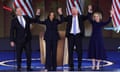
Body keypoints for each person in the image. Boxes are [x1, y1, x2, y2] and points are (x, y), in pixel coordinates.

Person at [87, 5, 112, 70]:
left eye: (97, 16)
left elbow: (108, 21)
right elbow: (89, 17)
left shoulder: (101, 23)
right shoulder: (93, 22)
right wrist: (89, 11)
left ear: (99, 17)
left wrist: (111, 14)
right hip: (93, 38)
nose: (96, 17)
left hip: (99, 39)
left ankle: (98, 65)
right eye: (95, 16)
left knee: (99, 51)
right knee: (93, 51)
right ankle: (93, 64)